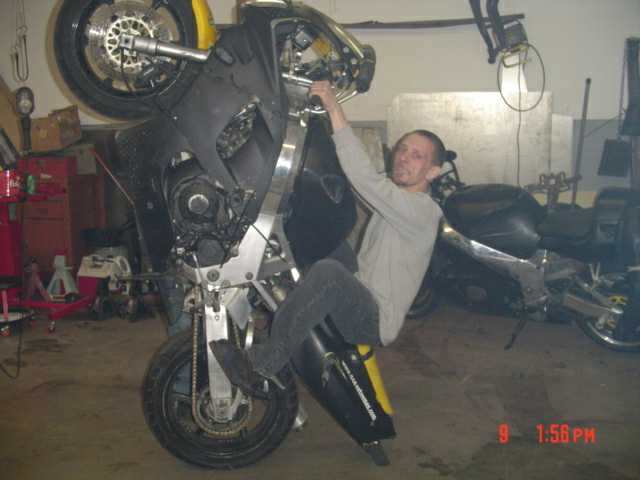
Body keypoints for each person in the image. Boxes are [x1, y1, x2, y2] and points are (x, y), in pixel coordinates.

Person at [211, 80, 444, 393]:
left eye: (417, 156)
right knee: (324, 239)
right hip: (363, 286)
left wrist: (333, 107)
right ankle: (282, 302)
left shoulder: (422, 211)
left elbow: (364, 178)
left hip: (374, 319)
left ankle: (262, 365)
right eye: (402, 149)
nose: (403, 157)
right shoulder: (399, 198)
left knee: (329, 273)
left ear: (433, 171)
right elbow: (359, 182)